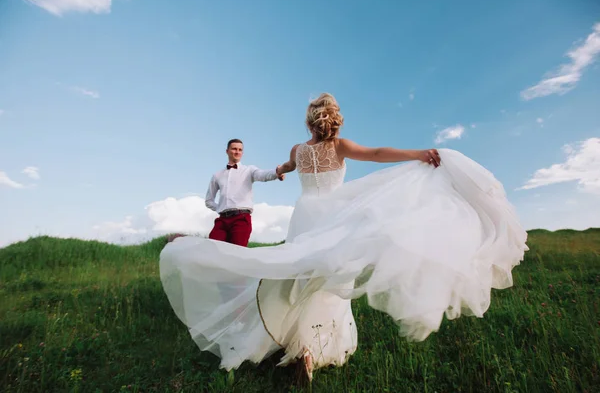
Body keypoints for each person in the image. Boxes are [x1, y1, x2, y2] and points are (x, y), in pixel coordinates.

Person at [159, 93, 528, 382]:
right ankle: (312, 350)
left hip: (304, 214)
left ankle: (293, 343)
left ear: (309, 122)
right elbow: (377, 154)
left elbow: (288, 166)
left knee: (297, 275)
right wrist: (416, 154)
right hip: (333, 215)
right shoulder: (340, 146)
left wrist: (284, 171)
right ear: (333, 120)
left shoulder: (298, 151)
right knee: (331, 280)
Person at [204, 138, 284, 247]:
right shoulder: (217, 175)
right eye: (234, 149)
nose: (237, 152)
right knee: (212, 248)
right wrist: (221, 208)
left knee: (237, 254)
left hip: (241, 219)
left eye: (240, 150)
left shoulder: (249, 170)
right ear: (227, 151)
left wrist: (277, 172)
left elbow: (262, 175)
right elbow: (209, 200)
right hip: (222, 220)